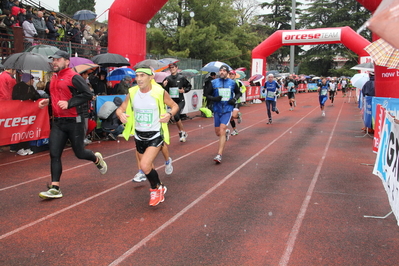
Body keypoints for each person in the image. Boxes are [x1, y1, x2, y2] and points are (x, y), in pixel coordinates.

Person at [37, 50, 108, 200]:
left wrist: (69, 103)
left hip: (75, 121)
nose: (54, 62)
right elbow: (57, 96)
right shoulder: (53, 78)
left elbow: (88, 94)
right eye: (53, 60)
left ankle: (96, 159)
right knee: (54, 154)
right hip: (58, 122)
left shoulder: (73, 77)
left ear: (67, 61)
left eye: (58, 60)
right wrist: (48, 101)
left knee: (79, 153)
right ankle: (55, 187)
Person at [115, 66, 179, 206]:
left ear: (151, 77)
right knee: (148, 166)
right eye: (137, 75)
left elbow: (174, 106)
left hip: (155, 134)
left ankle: (155, 189)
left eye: (142, 75)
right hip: (139, 135)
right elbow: (120, 108)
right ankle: (159, 186)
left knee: (144, 165)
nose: (138, 79)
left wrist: (169, 114)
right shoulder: (132, 92)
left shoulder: (159, 92)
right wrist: (120, 114)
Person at [204, 64, 241, 164]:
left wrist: (234, 99)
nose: (222, 72)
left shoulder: (232, 83)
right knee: (218, 133)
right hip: (217, 109)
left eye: (224, 71)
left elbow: (238, 93)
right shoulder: (213, 82)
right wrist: (214, 99)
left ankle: (219, 155)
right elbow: (206, 94)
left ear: (228, 73)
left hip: (227, 110)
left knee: (222, 129)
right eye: (220, 70)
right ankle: (226, 133)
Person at [11, 73, 40, 155]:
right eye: (32, 79)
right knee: (20, 129)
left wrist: (33, 95)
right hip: (19, 111)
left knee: (27, 129)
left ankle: (26, 146)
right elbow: (15, 97)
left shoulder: (31, 87)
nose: (33, 81)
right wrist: (28, 96)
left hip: (29, 111)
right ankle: (19, 147)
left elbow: (36, 96)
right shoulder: (18, 87)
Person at [162, 62, 191, 142]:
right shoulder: (167, 78)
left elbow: (189, 86)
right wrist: (163, 85)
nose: (172, 69)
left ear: (176, 68)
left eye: (173, 67)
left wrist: (184, 90)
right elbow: (163, 91)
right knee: (176, 117)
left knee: (176, 115)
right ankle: (183, 131)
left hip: (180, 100)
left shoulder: (181, 78)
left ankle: (181, 132)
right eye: (170, 68)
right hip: (172, 101)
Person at [228, 70, 245, 135]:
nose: (231, 75)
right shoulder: (227, 82)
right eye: (230, 74)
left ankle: (238, 115)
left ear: (235, 75)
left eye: (232, 74)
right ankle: (235, 130)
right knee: (230, 118)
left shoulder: (238, 82)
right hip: (229, 101)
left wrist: (240, 93)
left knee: (233, 115)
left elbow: (244, 88)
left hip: (236, 101)